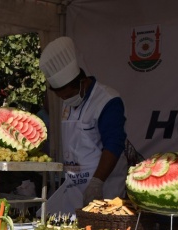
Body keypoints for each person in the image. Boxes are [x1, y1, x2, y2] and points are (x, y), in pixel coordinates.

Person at [38, 36, 128, 215]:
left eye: (67, 95)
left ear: (81, 82)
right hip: (73, 186)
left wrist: (97, 183)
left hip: (104, 188)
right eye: (62, 97)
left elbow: (114, 144)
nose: (65, 100)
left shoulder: (107, 100)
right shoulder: (68, 101)